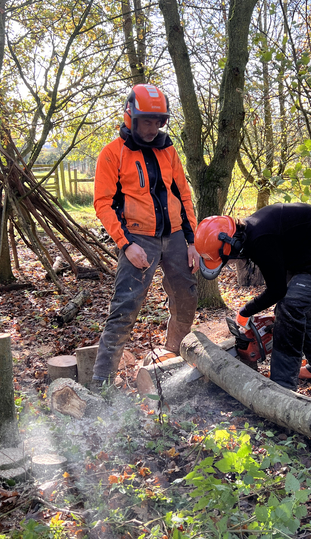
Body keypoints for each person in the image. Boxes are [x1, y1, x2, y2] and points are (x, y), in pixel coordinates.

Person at [92, 83, 199, 385]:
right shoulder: (113, 154)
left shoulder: (168, 152)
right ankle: (101, 382)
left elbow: (184, 195)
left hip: (176, 237)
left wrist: (191, 242)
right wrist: (125, 244)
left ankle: (174, 356)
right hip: (138, 239)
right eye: (146, 121)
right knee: (125, 308)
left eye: (158, 121)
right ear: (131, 117)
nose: (153, 128)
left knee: (186, 297)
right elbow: (102, 203)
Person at [194, 203, 311, 391]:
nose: (229, 263)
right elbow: (277, 282)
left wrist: (246, 311)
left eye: (226, 259)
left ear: (234, 244)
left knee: (291, 306)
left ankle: (282, 386)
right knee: (297, 307)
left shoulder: (261, 240)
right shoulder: (253, 233)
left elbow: (277, 290)